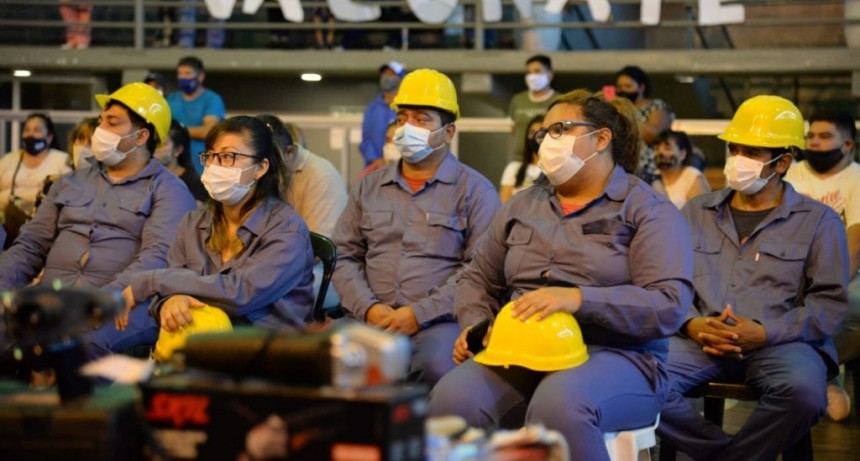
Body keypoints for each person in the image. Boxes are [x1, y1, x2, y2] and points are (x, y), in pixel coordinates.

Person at [428, 90, 693, 459]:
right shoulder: (522, 205)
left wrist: (579, 299)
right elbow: (477, 278)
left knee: (560, 405)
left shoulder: (648, 210)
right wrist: (479, 326)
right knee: (451, 400)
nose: (547, 142)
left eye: (561, 129)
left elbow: (668, 304)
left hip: (618, 355)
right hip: (521, 352)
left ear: (601, 139)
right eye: (545, 133)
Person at [657, 95, 848, 460]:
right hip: (699, 341)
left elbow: (829, 306)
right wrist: (691, 323)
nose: (737, 160)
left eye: (752, 152)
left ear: (783, 162)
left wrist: (765, 333)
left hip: (781, 345)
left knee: (805, 395)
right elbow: (669, 281)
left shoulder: (819, 222)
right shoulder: (696, 212)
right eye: (734, 149)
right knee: (636, 380)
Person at [0, 82, 197, 359]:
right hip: (52, 299)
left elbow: (156, 257)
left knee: (81, 343)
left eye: (112, 123)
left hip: (125, 302)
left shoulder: (169, 190)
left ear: (141, 136)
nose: (99, 130)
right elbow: (30, 245)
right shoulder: (68, 183)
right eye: (100, 120)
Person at [332, 69, 501, 386]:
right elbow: (343, 255)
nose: (408, 127)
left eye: (422, 119)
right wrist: (368, 308)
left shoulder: (476, 192)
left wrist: (418, 314)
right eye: (402, 118)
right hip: (367, 318)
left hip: (438, 324)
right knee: (322, 359)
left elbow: (478, 271)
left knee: (438, 368)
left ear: (448, 132)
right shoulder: (368, 187)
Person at [118, 116, 315, 333]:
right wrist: (170, 301)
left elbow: (241, 295)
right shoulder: (193, 222)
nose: (214, 165)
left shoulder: (287, 229)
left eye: (228, 156)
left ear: (260, 168)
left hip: (268, 345)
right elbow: (171, 285)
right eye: (210, 156)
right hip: (202, 338)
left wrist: (155, 282)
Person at [785, 108, 860, 421]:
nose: (814, 143)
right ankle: (823, 373)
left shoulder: (856, 178)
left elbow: (855, 243)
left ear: (847, 145)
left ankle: (819, 368)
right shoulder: (792, 173)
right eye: (810, 136)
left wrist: (828, 286)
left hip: (843, 273)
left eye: (825, 136)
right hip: (790, 272)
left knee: (851, 304)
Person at [257, 115, 347, 238]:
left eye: (271, 158)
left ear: (290, 152)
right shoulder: (255, 176)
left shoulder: (322, 177)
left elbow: (319, 246)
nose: (263, 167)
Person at [0, 113, 71, 247]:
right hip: (5, 227)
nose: (30, 134)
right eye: (27, 130)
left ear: (49, 137)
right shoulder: (9, 159)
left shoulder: (62, 160)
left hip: (44, 228)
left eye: (37, 130)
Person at [167, 56, 226, 174]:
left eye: (188, 73)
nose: (183, 77)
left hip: (201, 166)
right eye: (180, 73)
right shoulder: (170, 99)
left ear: (201, 76)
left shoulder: (212, 99)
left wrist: (177, 131)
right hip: (174, 167)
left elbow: (207, 131)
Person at [615, 65, 674, 183]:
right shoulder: (617, 108)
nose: (623, 91)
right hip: (623, 168)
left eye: (628, 86)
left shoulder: (656, 106)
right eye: (619, 87)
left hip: (648, 170)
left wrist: (628, 114)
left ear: (641, 87)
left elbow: (657, 136)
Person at [508, 55, 556, 164]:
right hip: (519, 159)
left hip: (548, 160)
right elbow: (513, 130)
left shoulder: (558, 101)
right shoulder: (518, 100)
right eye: (529, 72)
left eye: (537, 71)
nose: (532, 76)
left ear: (550, 75)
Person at [359, 61, 407, 168]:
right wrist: (375, 160)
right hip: (375, 168)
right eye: (385, 74)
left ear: (401, 78)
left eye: (391, 74)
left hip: (401, 167)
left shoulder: (407, 107)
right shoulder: (372, 108)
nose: (386, 77)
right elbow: (366, 140)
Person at [650, 129, 710, 209]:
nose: (660, 153)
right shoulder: (652, 177)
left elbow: (700, 213)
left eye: (667, 149)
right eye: (656, 149)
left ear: (682, 154)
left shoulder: (693, 178)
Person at [154, 119, 208, 203]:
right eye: (152, 142)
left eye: (161, 144)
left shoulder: (195, 186)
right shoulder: (143, 179)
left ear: (178, 150)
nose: (154, 148)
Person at [499, 114, 543, 203]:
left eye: (540, 132)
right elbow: (504, 203)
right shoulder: (513, 168)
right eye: (532, 132)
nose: (535, 136)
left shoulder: (555, 171)